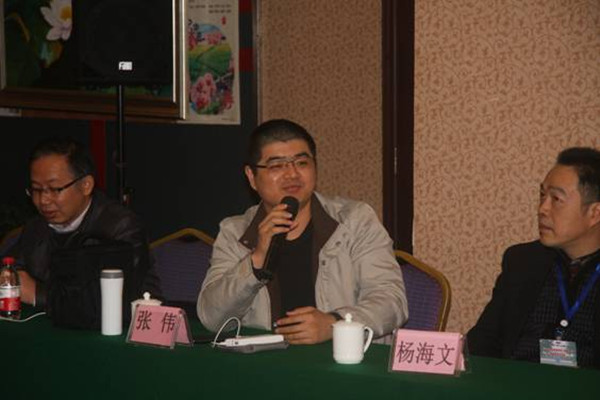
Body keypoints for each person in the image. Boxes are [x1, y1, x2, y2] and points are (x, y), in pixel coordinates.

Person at [197, 119, 407, 344]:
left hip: (341, 358)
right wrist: (256, 260)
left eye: (302, 162)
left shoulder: (355, 221)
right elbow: (212, 318)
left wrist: (335, 324)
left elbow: (392, 303)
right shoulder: (235, 232)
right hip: (263, 360)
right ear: (251, 177)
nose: (292, 174)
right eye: (276, 166)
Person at [467, 147, 600, 368]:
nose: (542, 209)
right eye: (542, 196)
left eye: (556, 198)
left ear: (595, 213)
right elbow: (483, 341)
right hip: (514, 382)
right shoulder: (523, 261)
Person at [9, 136, 161, 326]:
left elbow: (108, 303)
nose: (43, 200)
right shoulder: (37, 227)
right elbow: (11, 268)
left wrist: (36, 293)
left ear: (86, 185)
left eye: (55, 189)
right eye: (36, 190)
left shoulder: (120, 228)